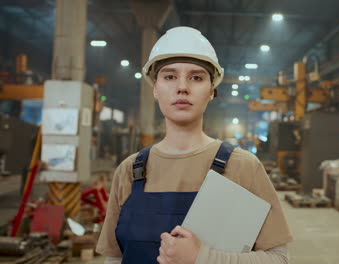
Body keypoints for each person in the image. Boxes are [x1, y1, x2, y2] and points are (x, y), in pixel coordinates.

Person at [96, 26, 293, 264]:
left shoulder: (243, 168)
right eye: (169, 76)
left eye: (196, 77)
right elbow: (114, 259)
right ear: (155, 88)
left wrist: (204, 258)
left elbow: (279, 259)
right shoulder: (130, 170)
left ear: (211, 91)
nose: (182, 87)